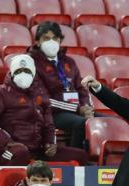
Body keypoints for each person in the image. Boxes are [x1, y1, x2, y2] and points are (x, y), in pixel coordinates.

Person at [0, 54, 89, 166]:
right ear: (12, 73)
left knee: (81, 156)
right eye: (19, 71)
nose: (23, 74)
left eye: (27, 70)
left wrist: (50, 143)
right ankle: (17, 183)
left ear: (33, 73)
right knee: (21, 153)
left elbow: (49, 124)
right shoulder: (2, 93)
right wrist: (8, 141)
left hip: (37, 150)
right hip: (11, 150)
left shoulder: (40, 94)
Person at [28, 21, 92, 149]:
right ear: (38, 41)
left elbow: (81, 89)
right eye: (46, 38)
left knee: (106, 120)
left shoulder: (69, 62)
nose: (51, 42)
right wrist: (77, 108)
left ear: (60, 40)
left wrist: (86, 107)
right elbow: (41, 99)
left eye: (55, 38)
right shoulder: (31, 62)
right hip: (49, 113)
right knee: (80, 123)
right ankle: (77, 160)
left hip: (74, 109)